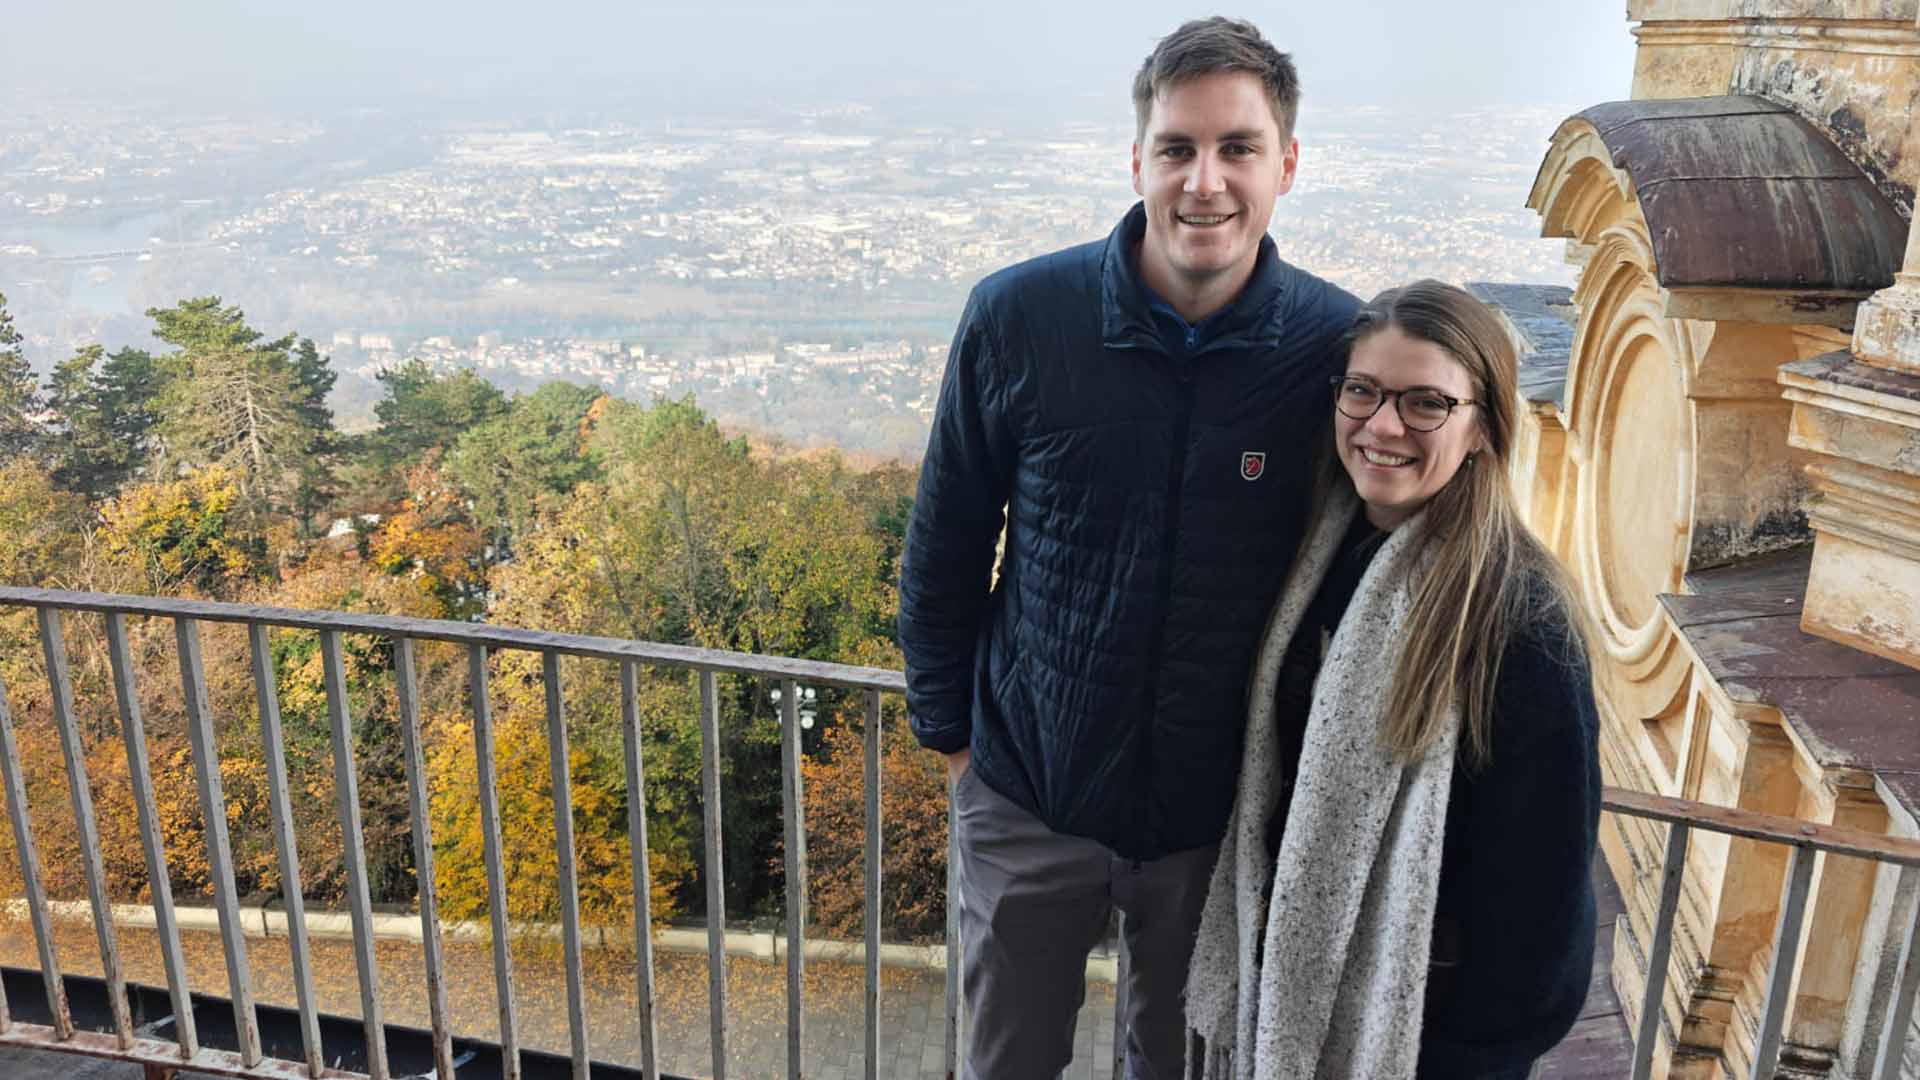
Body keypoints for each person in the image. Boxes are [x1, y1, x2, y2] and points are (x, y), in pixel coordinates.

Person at [896, 16, 1361, 1080]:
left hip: (1212, 824)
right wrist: (958, 752)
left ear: (1286, 165)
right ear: (1137, 159)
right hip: (1027, 793)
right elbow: (946, 547)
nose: (1206, 181)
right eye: (1178, 148)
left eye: (1237, 148)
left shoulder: (1331, 352)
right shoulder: (1021, 318)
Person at [1183, 280, 1602, 1080]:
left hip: (1420, 1043)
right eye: (1364, 391)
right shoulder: (1320, 555)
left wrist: (1466, 1057)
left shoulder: (1519, 621)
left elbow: (1543, 915)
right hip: (1289, 997)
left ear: (1482, 428)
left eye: (1426, 404)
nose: (1383, 426)